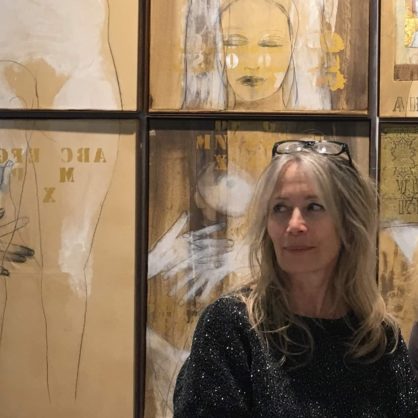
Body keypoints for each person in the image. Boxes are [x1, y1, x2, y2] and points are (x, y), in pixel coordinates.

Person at [173, 139, 418, 416]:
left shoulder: (378, 339)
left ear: (349, 224)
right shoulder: (233, 325)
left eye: (314, 207)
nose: (294, 225)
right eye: (280, 208)